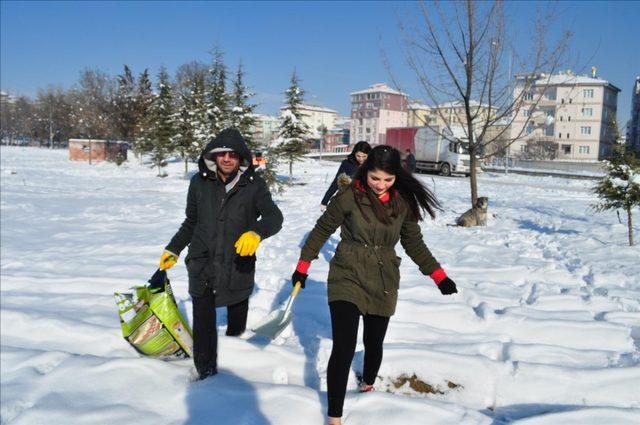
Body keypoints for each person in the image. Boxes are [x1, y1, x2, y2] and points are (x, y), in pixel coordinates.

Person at [290, 145, 457, 425]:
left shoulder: (402, 204)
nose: (380, 185)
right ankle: (334, 417)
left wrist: (438, 275)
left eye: (387, 180)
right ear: (366, 172)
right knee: (343, 345)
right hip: (347, 271)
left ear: (396, 177)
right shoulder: (348, 196)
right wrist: (302, 267)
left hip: (383, 277)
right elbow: (321, 230)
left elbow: (413, 243)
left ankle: (367, 385)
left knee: (373, 342)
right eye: (375, 178)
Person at [159, 128, 283, 380]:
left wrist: (257, 233)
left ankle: (235, 365)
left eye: (233, 155)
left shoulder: (254, 185)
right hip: (202, 261)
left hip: (238, 263)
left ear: (242, 159)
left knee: (237, 310)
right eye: (222, 154)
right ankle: (205, 373)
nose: (227, 159)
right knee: (203, 321)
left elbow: (274, 217)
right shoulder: (199, 182)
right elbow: (191, 221)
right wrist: (174, 247)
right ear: (213, 156)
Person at [320, 141, 372, 210]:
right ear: (354, 153)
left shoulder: (373, 164)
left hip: (369, 200)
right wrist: (325, 201)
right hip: (350, 199)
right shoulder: (347, 164)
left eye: (364, 156)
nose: (361, 159)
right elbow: (336, 182)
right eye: (358, 156)